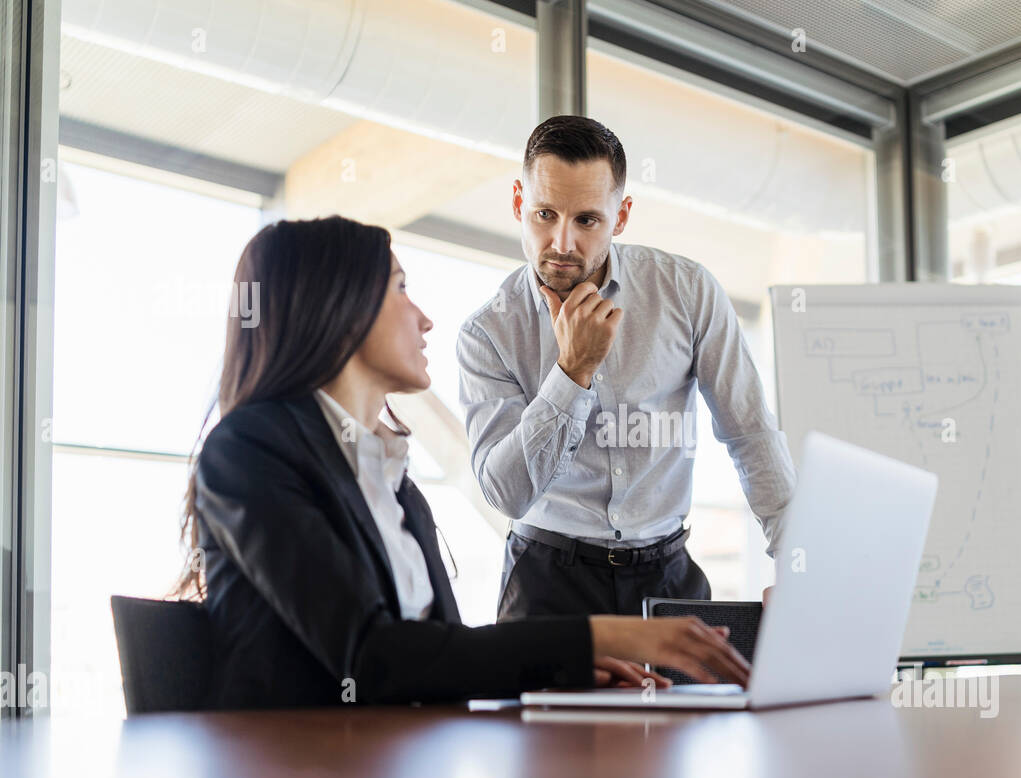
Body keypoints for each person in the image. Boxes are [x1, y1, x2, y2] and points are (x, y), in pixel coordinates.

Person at [174, 215, 748, 708]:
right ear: (337, 306)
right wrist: (594, 638)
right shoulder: (248, 453)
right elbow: (371, 660)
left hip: (388, 772)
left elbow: (437, 654)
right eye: (399, 289)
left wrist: (564, 672)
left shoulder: (390, 479)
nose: (423, 319)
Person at [459, 115, 796, 623]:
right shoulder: (487, 333)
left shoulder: (687, 292)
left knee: (699, 706)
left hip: (667, 576)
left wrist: (798, 565)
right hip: (547, 581)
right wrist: (572, 372)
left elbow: (749, 433)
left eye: (587, 220)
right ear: (516, 203)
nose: (562, 243)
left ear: (621, 216)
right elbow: (507, 493)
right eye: (544, 213)